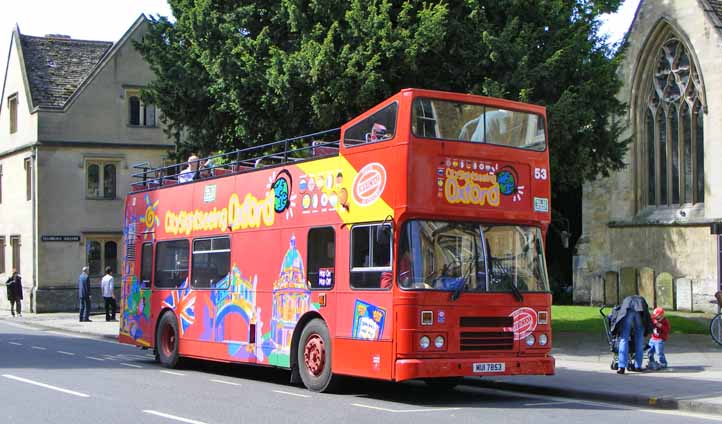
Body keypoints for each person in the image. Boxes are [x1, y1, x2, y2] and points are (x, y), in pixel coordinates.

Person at [610, 295, 653, 374]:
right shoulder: (641, 300)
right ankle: (637, 366)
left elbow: (620, 313)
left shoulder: (627, 299)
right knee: (639, 339)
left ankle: (621, 367)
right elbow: (646, 315)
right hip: (640, 310)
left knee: (624, 338)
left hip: (628, 309)